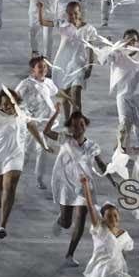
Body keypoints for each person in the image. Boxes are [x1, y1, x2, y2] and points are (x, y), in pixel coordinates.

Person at [44, 108, 113, 267]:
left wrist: (111, 179)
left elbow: (101, 164)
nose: (78, 128)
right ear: (70, 127)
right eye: (74, 126)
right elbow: (47, 131)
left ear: (85, 125)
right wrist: (55, 113)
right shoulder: (64, 139)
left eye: (81, 124)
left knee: (81, 220)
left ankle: (69, 254)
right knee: (67, 223)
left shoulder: (92, 146)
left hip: (83, 185)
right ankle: (61, 220)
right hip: (65, 184)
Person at [0, 88, 48, 238]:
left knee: (9, 186)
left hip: (16, 156)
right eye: (4, 104)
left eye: (10, 103)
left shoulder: (22, 113)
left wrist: (43, 144)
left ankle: (2, 225)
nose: (7, 106)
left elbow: (31, 126)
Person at [38, 0, 96, 114]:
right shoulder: (62, 24)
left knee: (76, 94)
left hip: (79, 66)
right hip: (63, 65)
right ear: (66, 13)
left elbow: (91, 49)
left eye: (75, 13)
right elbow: (43, 22)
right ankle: (67, 121)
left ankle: (76, 121)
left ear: (80, 12)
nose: (73, 16)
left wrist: (90, 67)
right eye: (70, 13)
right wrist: (40, 8)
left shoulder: (89, 29)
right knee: (66, 97)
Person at [80, 175, 136, 277]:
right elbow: (90, 207)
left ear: (119, 216)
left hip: (117, 272)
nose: (113, 218)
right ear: (103, 219)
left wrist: (122, 268)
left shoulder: (124, 234)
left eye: (115, 215)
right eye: (109, 216)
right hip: (101, 272)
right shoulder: (100, 230)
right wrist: (86, 186)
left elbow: (124, 254)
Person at [104, 29, 139, 149]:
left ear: (138, 42)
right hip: (123, 96)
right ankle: (120, 151)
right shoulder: (118, 54)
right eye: (128, 40)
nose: (131, 43)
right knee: (124, 124)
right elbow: (106, 59)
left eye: (134, 40)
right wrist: (111, 46)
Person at [14, 56, 59, 189]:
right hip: (32, 123)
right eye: (40, 67)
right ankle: (14, 175)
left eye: (45, 66)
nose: (43, 69)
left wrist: (69, 99)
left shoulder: (48, 82)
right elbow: (15, 99)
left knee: (42, 151)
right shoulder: (25, 84)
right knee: (27, 152)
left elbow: (56, 92)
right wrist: (25, 114)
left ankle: (39, 179)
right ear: (33, 69)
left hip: (45, 123)